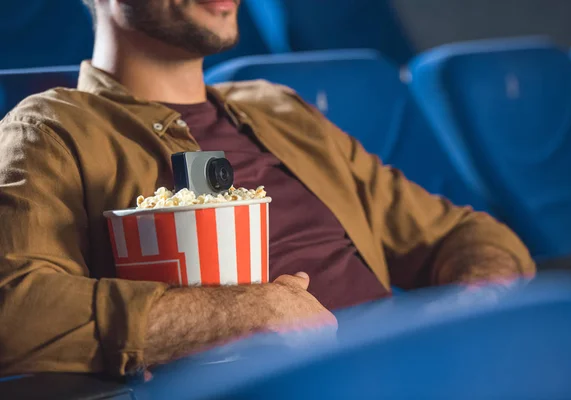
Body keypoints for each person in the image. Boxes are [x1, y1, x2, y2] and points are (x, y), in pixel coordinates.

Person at [0, 0, 535, 377]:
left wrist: (476, 302)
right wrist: (247, 312)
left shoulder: (278, 108)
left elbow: (464, 234)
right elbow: (14, 309)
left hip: (429, 369)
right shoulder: (52, 128)